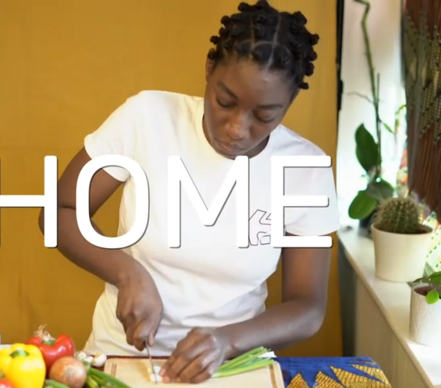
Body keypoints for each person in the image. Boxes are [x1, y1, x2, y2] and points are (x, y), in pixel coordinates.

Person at [38, 0, 339, 384]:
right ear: (209, 70)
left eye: (264, 116)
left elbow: (307, 306)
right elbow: (59, 211)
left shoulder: (304, 168)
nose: (236, 128)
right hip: (124, 360)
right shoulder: (147, 118)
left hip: (231, 368)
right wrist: (126, 272)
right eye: (225, 101)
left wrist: (226, 341)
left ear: (290, 102)